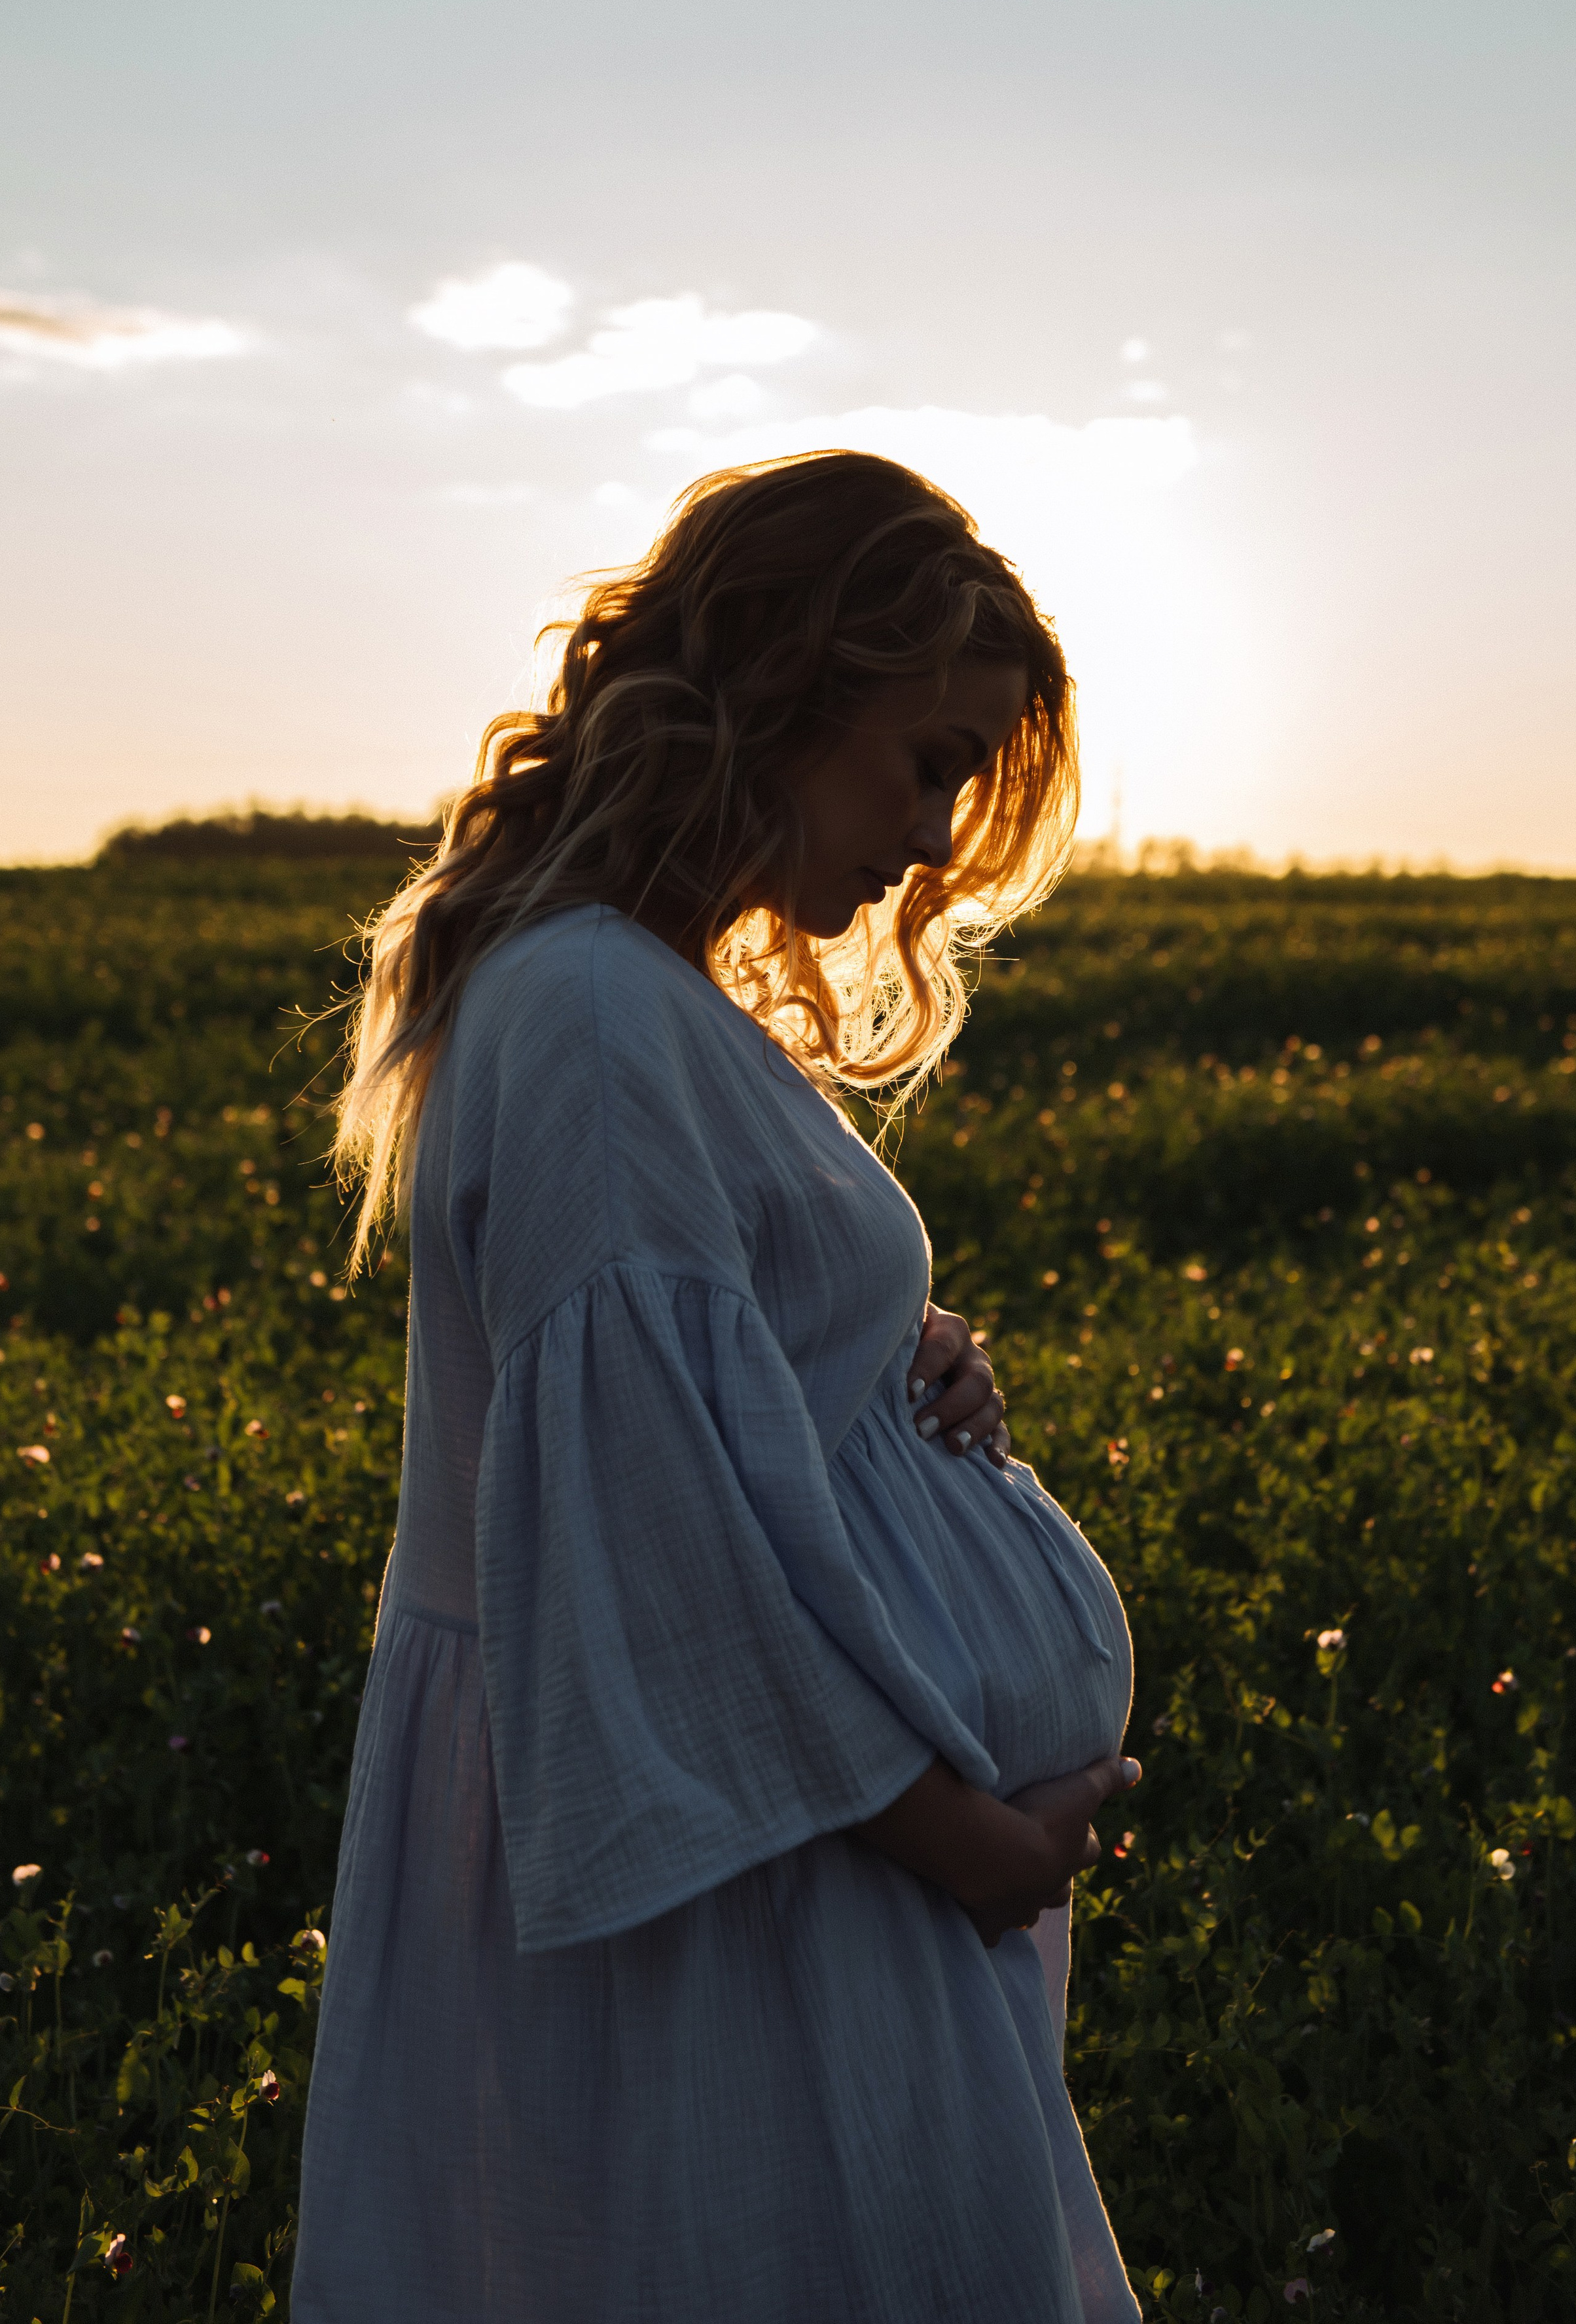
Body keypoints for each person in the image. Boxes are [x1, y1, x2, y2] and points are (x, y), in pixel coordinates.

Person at [293, 450, 1141, 2323]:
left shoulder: (620, 995)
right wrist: (972, 1839)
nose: (934, 839)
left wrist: (872, 1362)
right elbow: (658, 1553)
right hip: (749, 1878)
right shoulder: (593, 1015)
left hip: (790, 1844)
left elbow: (676, 1401)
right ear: (781, 684)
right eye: (929, 760)